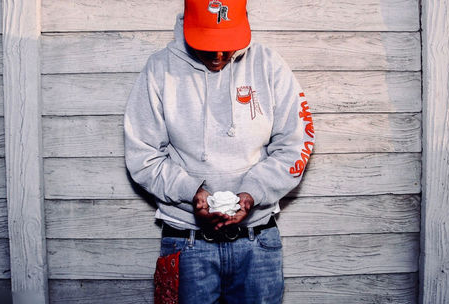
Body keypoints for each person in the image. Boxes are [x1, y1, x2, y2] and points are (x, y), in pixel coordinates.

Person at [124, 0, 314, 303]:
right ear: (188, 26)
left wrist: (253, 192)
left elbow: (296, 142)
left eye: (226, 45)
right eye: (207, 44)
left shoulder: (268, 65)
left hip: (258, 242)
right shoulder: (160, 69)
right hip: (187, 242)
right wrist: (190, 191)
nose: (218, 55)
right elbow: (142, 154)